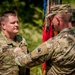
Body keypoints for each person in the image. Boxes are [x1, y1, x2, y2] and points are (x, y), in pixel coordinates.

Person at [14, 4, 75, 75]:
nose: (51, 23)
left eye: (52, 19)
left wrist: (17, 52)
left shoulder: (54, 44)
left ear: (58, 20)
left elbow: (26, 62)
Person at [0, 11, 30, 75]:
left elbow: (27, 65)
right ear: (3, 25)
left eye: (17, 22)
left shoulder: (21, 40)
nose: (16, 25)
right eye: (13, 23)